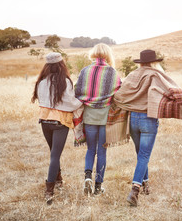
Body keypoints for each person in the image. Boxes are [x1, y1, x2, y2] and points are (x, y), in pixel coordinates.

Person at [113, 49, 182, 206]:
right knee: (144, 155)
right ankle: (135, 190)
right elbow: (172, 91)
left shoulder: (132, 75)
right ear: (154, 62)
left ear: (140, 62)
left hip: (133, 119)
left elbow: (120, 95)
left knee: (140, 154)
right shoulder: (155, 75)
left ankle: (145, 184)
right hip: (149, 119)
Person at [31, 52, 82, 205]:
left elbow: (43, 100)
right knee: (55, 155)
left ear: (47, 66)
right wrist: (82, 101)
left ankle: (58, 180)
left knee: (53, 152)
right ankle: (49, 190)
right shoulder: (64, 81)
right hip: (60, 122)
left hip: (45, 120)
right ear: (61, 64)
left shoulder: (41, 81)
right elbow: (71, 103)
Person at [75, 43, 121, 196]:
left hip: (89, 116)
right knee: (102, 152)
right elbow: (119, 93)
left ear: (93, 54)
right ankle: (98, 187)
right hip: (105, 118)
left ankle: (88, 176)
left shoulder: (85, 71)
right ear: (108, 55)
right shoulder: (112, 73)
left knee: (90, 150)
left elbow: (77, 91)